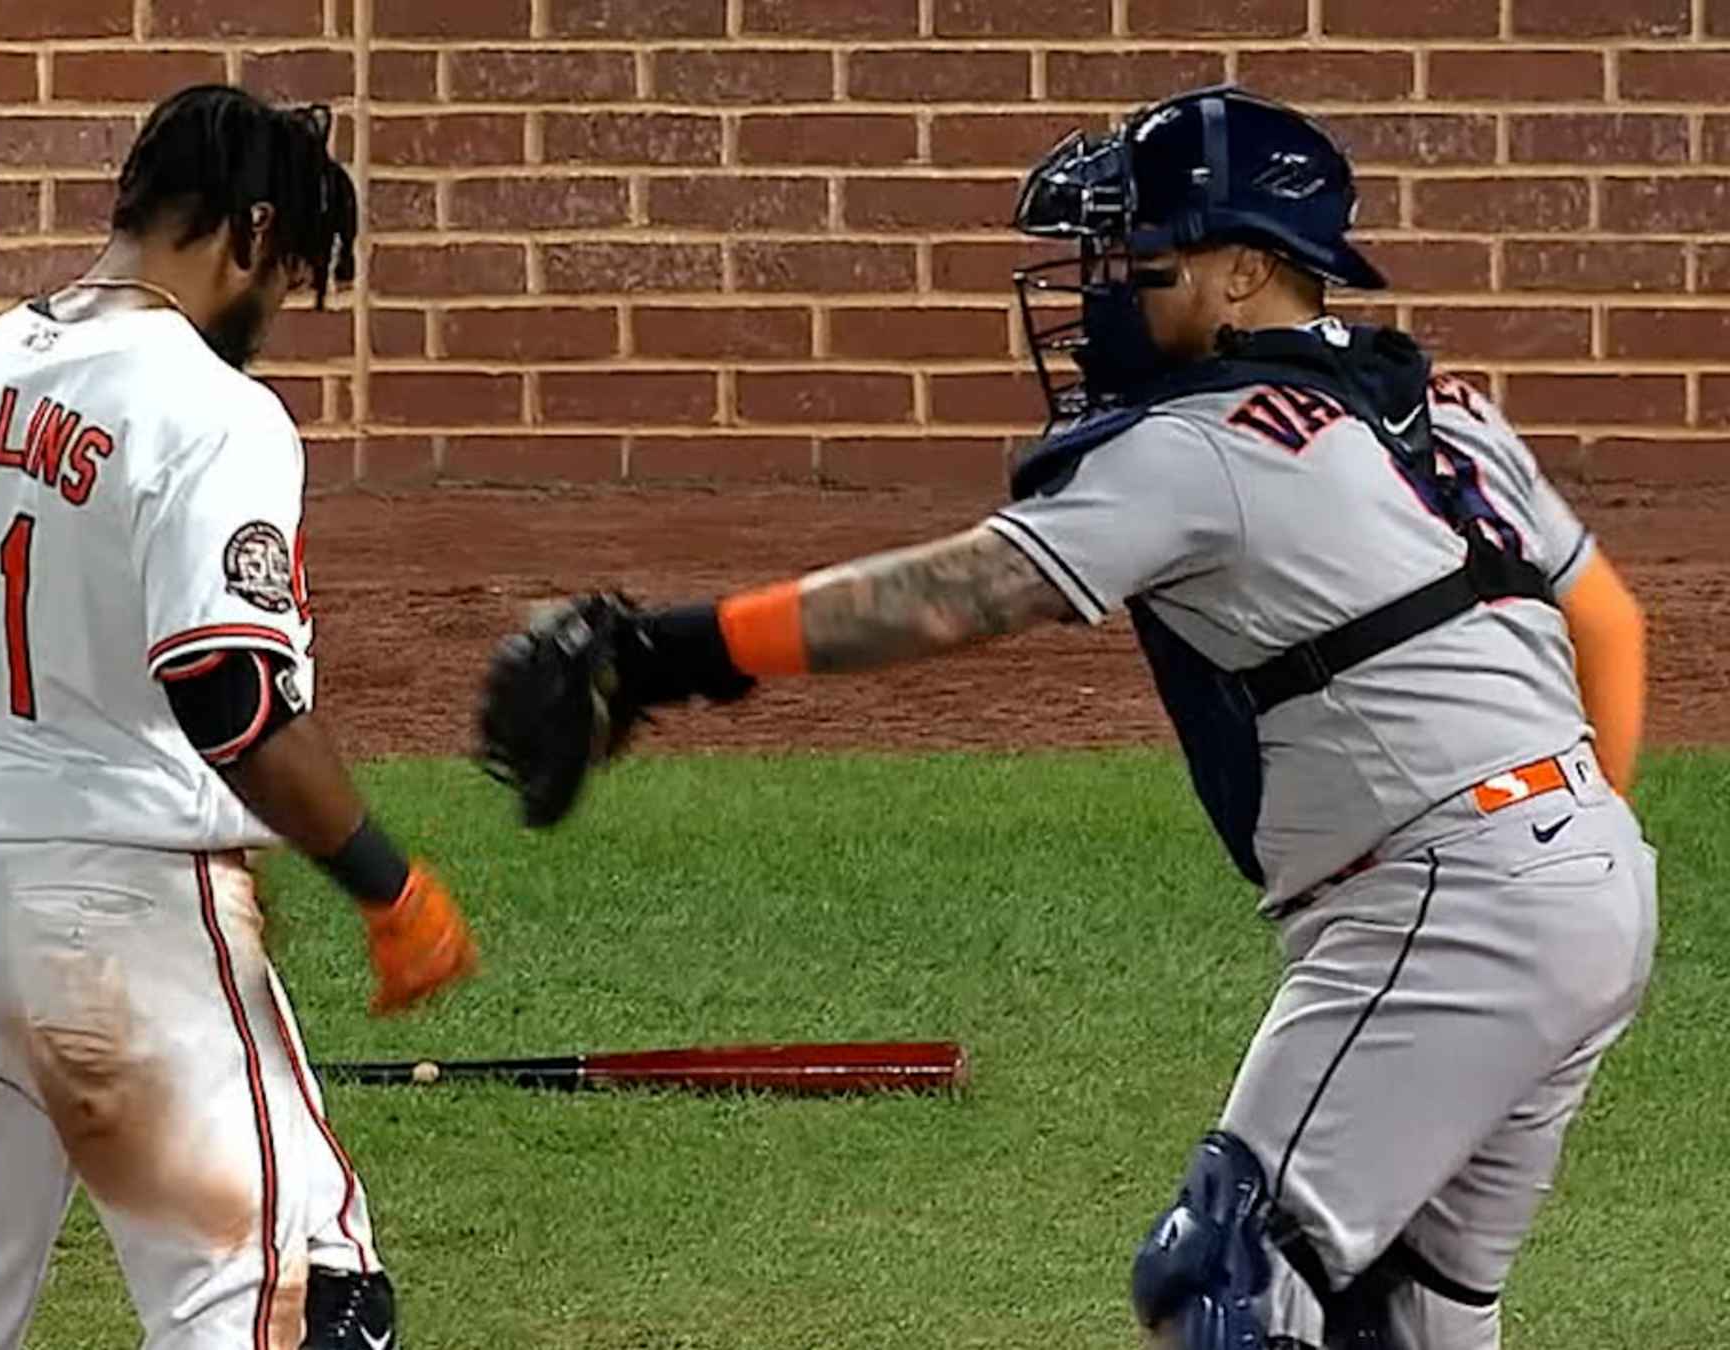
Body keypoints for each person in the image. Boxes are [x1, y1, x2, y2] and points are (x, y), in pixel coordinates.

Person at [476, 84, 1655, 1350]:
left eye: (1136, 262)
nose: (1100, 298)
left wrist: (670, 650)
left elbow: (961, 593)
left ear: (1245, 269)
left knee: (1226, 1278)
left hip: (1455, 896)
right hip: (1595, 891)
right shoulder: (1453, 415)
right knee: (1411, 1313)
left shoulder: (1204, 445)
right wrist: (1564, 851)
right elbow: (1611, 626)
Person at [0, 84, 478, 1350]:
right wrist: (384, 879)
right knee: (268, 1301)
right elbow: (230, 692)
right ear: (250, 232)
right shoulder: (211, 409)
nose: (280, 316)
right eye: (291, 276)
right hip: (119, 928)